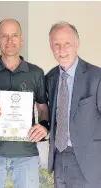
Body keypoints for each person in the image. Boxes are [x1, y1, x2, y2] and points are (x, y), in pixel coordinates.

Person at [0, 18, 49, 188]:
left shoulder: (36, 73)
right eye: (4, 36)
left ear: (21, 39)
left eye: (14, 36)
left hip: (26, 154)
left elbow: (43, 107)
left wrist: (44, 125)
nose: (9, 41)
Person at [46, 21, 101, 188]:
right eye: (56, 44)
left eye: (67, 43)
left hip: (88, 163)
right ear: (51, 46)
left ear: (77, 44)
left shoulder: (96, 76)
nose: (62, 50)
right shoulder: (50, 78)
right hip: (59, 159)